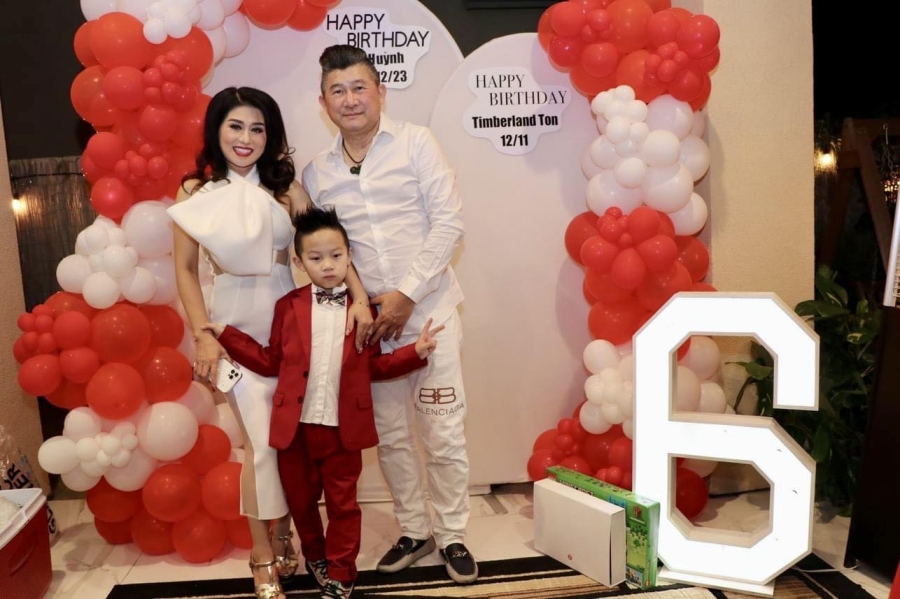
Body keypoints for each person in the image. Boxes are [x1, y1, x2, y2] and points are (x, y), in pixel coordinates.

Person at [168, 87, 372, 599]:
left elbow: (328, 244)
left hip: (292, 330)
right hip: (232, 331)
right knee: (262, 445)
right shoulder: (195, 191)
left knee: (289, 445)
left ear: (270, 136)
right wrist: (203, 335)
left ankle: (285, 534)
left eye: (257, 129)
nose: (246, 138)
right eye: (235, 126)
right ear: (216, 130)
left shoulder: (285, 189)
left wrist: (360, 300)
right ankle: (262, 553)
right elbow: (186, 270)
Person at [302, 45, 477, 584]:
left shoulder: (416, 143)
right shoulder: (318, 173)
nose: (350, 99)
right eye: (338, 91)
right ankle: (414, 529)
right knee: (394, 436)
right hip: (371, 326)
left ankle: (452, 534)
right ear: (324, 103)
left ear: (380, 91)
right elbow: (334, 251)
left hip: (430, 313)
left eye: (359, 87)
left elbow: (449, 223)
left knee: (443, 431)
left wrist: (406, 295)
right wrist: (363, 301)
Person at [204, 206, 443, 599]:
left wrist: (415, 352)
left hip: (343, 431)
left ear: (349, 257)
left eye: (336, 256)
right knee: (301, 503)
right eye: (316, 258)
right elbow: (270, 360)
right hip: (294, 429)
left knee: (343, 506)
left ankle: (343, 571)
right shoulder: (288, 306)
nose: (328, 265)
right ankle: (315, 556)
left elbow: (375, 367)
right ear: (299, 262)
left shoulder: (363, 312)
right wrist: (228, 335)